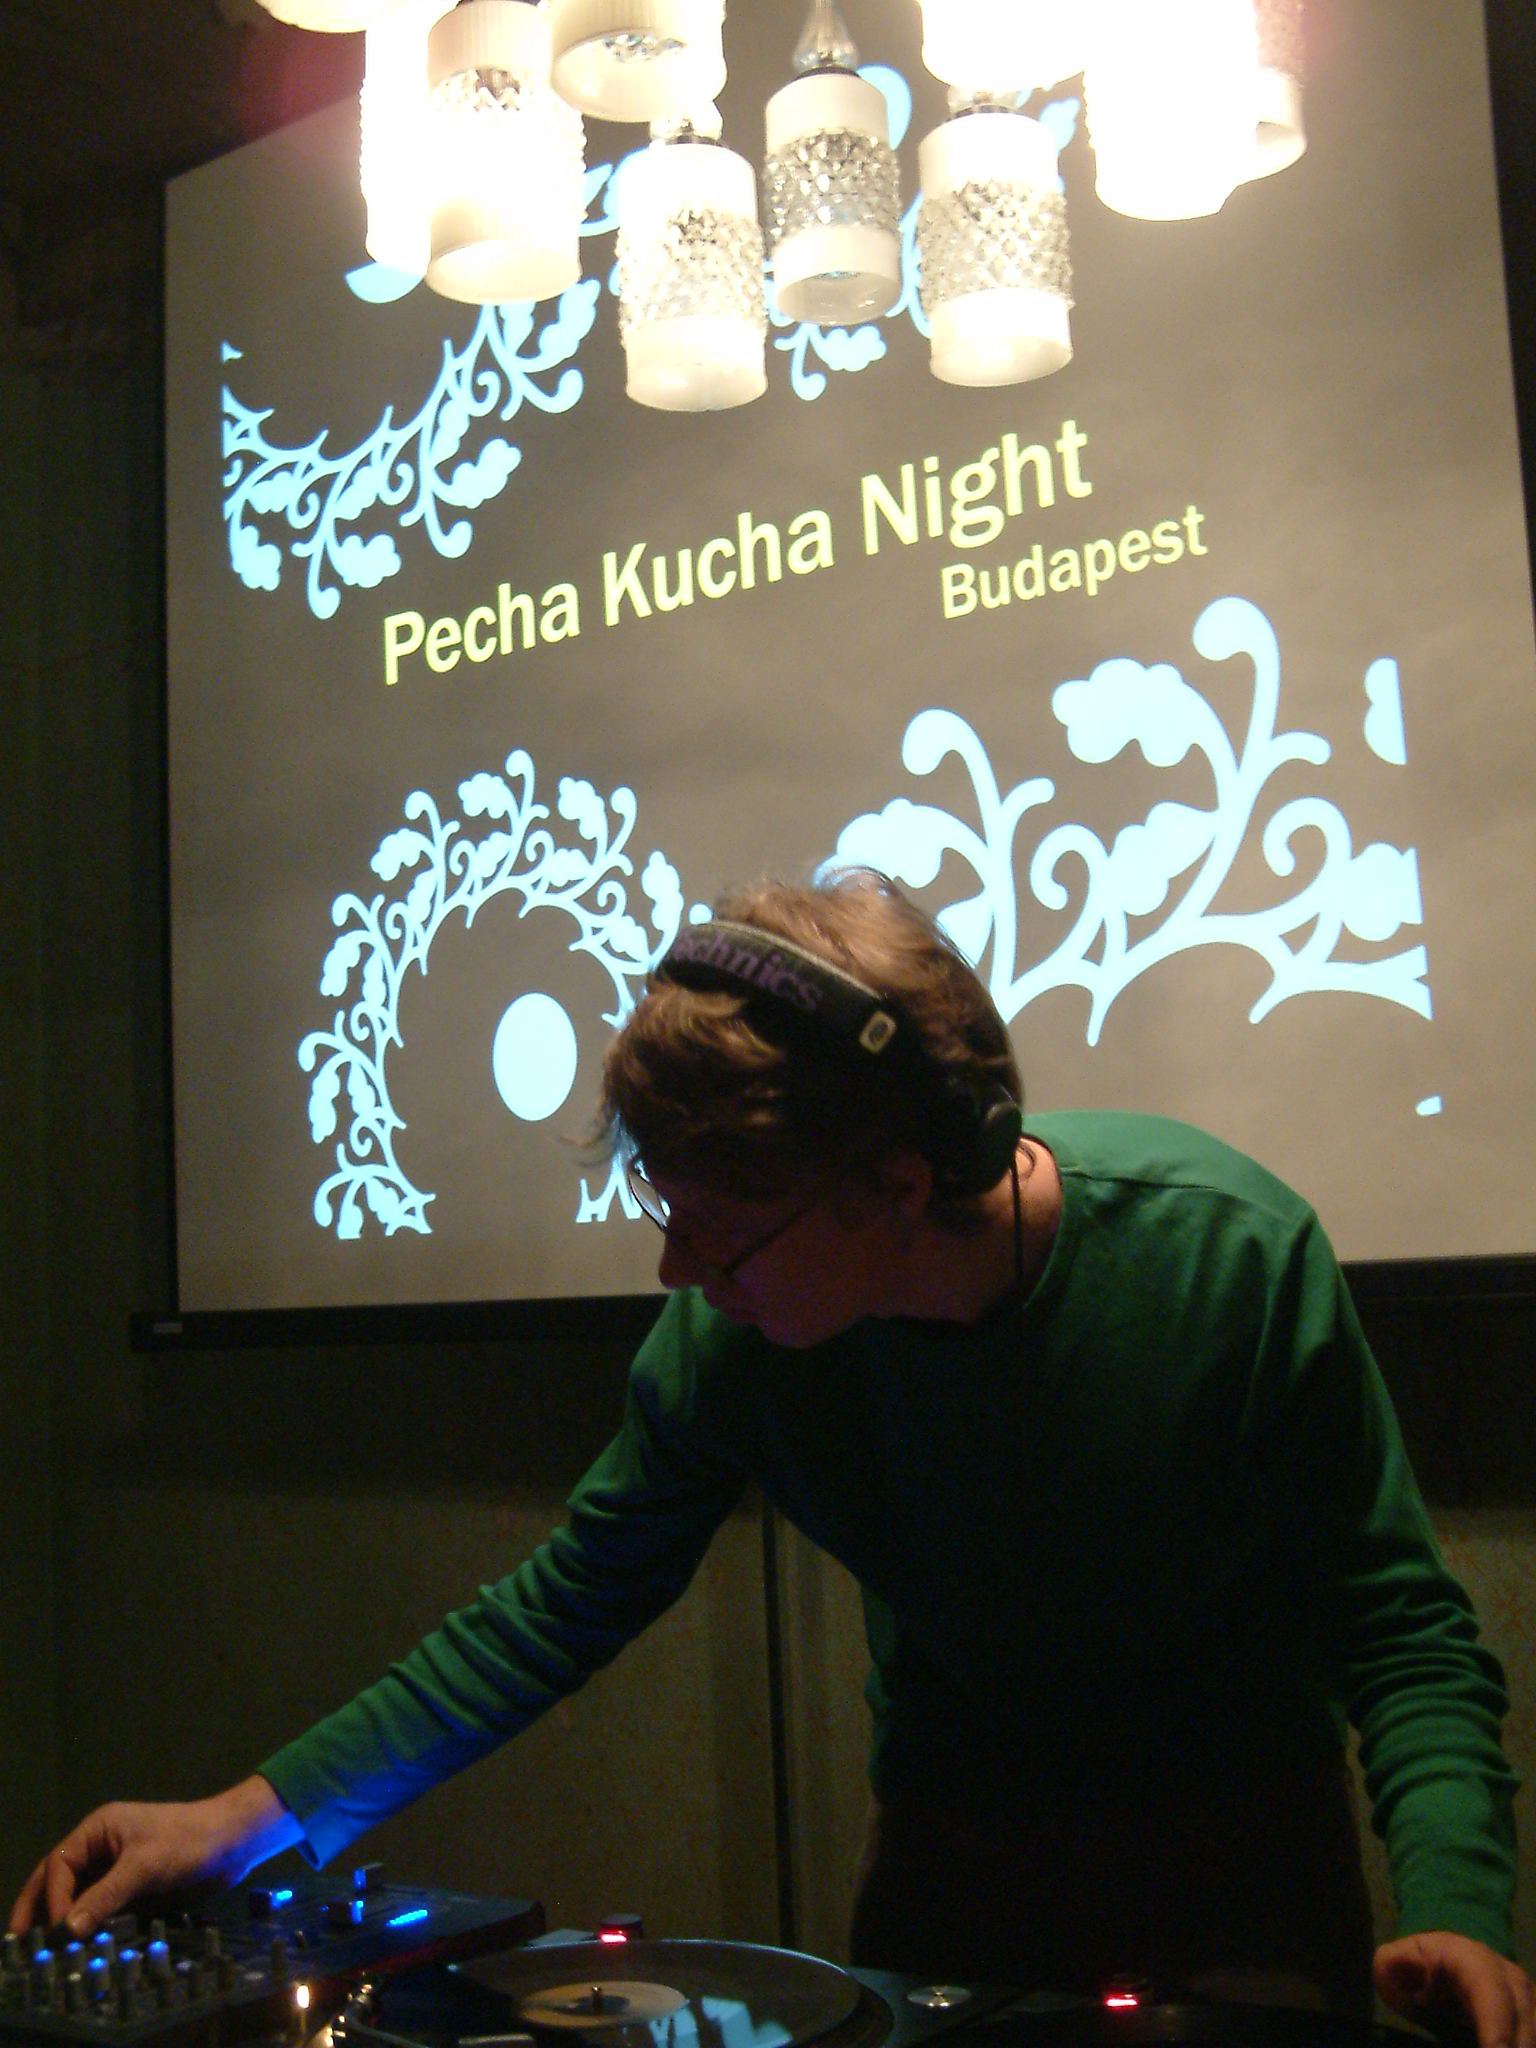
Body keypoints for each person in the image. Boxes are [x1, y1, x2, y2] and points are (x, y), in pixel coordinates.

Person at [9, 872, 1533, 2045]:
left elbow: (1401, 1633)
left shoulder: (1228, 1257)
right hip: (950, 1878)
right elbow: (557, 1609)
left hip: (1243, 1872)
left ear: (902, 1183)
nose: (677, 1272)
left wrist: (1460, 1908)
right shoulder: (734, 1342)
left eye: (721, 1234)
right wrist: (250, 1814)